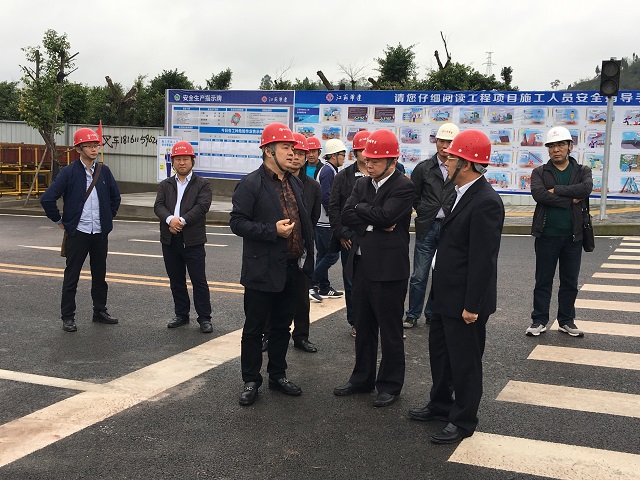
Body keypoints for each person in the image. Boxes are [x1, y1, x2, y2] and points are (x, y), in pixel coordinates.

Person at [408, 129, 504, 444]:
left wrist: (472, 306)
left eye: (451, 158)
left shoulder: (486, 201)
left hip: (465, 301)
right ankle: (440, 405)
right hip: (445, 294)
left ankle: (463, 420)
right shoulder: (459, 192)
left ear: (466, 163)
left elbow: (483, 260)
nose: (446, 162)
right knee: (441, 354)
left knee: (465, 362)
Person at [230, 123, 314, 406]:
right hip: (261, 269)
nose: (292, 153)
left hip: (292, 268)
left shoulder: (295, 183)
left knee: (282, 327)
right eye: (285, 148)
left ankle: (278, 375)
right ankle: (251, 380)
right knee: (254, 329)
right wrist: (271, 230)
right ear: (269, 151)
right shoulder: (251, 184)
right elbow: (237, 223)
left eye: (293, 148)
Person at [333, 129, 415, 408]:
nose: (369, 165)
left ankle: (390, 384)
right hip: (361, 264)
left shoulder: (403, 186)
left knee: (390, 330)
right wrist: (373, 220)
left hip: (389, 270)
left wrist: (364, 213)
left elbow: (388, 216)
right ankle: (362, 379)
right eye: (367, 160)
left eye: (376, 161)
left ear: (392, 161)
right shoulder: (362, 184)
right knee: (363, 326)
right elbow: (348, 213)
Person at [40, 127, 121, 332]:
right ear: (78, 149)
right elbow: (48, 198)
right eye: (89, 146)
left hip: (99, 233)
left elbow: (115, 197)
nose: (94, 149)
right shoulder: (69, 172)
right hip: (78, 233)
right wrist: (59, 220)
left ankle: (100, 311)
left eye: (96, 146)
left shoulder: (104, 171)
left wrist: (107, 217)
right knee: (72, 276)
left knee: (100, 275)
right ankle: (68, 317)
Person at [526, 126, 593, 338]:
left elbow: (585, 189)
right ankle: (539, 320)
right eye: (552, 146)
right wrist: (569, 200)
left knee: (570, 282)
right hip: (546, 235)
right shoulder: (539, 172)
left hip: (573, 236)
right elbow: (539, 195)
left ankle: (566, 320)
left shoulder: (582, 171)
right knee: (543, 281)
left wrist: (557, 190)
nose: (556, 149)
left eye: (561, 145)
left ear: (569, 146)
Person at [263, 133, 321, 353]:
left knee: (301, 297)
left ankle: (301, 336)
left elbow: (313, 217)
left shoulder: (312, 186)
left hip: (301, 251)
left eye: (301, 154)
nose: (296, 157)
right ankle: (268, 335)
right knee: (273, 295)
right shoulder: (273, 182)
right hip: (276, 249)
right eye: (293, 152)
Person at [154, 141, 213, 334]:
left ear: (192, 161)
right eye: (178, 159)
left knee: (199, 281)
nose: (181, 162)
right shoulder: (165, 185)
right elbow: (159, 206)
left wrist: (182, 221)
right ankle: (181, 314)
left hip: (193, 240)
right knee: (176, 279)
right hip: (170, 239)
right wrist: (170, 220)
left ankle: (204, 318)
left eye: (185, 159)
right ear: (172, 162)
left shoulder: (203, 184)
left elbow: (202, 206)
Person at [404, 123, 458, 330]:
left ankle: (432, 313)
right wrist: (425, 210)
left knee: (441, 274)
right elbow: (414, 196)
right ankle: (412, 314)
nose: (445, 146)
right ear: (436, 142)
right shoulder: (424, 168)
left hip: (449, 228)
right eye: (442, 141)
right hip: (427, 226)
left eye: (449, 142)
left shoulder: (459, 168)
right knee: (419, 275)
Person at [328, 129, 370, 337]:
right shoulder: (343, 176)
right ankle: (356, 321)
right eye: (362, 150)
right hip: (350, 238)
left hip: (375, 238)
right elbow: (334, 207)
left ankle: (376, 321)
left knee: (376, 282)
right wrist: (342, 233)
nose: (366, 154)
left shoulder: (380, 173)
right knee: (352, 282)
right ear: (355, 152)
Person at [311, 138, 346, 300]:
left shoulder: (330, 170)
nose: (344, 157)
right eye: (342, 154)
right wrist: (335, 218)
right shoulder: (328, 171)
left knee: (322, 255)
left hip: (323, 221)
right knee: (332, 255)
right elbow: (326, 198)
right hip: (325, 223)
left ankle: (323, 287)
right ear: (333, 155)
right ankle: (311, 283)